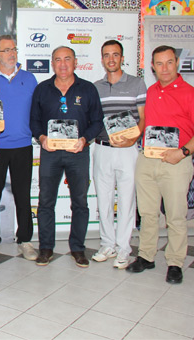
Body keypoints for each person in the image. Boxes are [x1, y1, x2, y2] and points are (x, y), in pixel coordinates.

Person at [30, 46, 103, 268]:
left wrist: (84, 140)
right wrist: (42, 138)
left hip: (78, 154)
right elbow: (33, 121)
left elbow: (97, 121)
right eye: (58, 60)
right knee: (45, 202)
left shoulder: (88, 89)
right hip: (50, 154)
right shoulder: (42, 89)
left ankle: (78, 249)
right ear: (52, 64)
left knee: (80, 202)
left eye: (67, 59)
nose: (63, 64)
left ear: (75, 62)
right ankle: (45, 248)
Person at [127, 45, 194, 284]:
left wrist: (184, 151)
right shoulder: (151, 92)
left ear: (176, 63)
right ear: (152, 67)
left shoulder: (190, 92)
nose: (164, 68)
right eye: (159, 63)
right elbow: (142, 121)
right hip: (147, 159)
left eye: (168, 62)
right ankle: (146, 255)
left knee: (176, 215)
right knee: (147, 213)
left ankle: (175, 262)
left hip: (176, 162)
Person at [0, 35, 38, 261]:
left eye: (14, 49)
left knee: (23, 196)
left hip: (23, 146)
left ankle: (25, 240)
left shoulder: (29, 78)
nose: (12, 54)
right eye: (6, 50)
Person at [91, 40, 146, 269]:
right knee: (103, 199)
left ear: (122, 58)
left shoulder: (136, 83)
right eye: (106, 55)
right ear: (102, 59)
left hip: (128, 151)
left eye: (115, 55)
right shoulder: (95, 87)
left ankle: (124, 248)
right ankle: (107, 244)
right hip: (102, 148)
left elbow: (143, 117)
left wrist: (134, 137)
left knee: (126, 200)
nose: (111, 59)